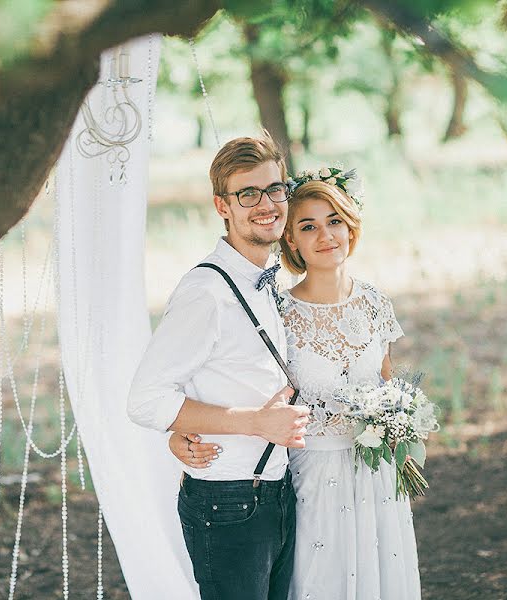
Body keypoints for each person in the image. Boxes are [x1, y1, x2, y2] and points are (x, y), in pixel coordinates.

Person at [170, 169, 422, 599]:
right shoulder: (278, 310)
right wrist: (180, 433)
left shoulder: (377, 302)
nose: (325, 235)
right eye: (308, 226)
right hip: (309, 479)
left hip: (375, 478)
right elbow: (229, 382)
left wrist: (402, 433)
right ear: (291, 240)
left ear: (350, 225)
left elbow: (386, 384)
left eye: (334, 221)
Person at [127, 135, 311, 600]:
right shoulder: (205, 293)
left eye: (274, 189)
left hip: (277, 491)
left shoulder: (267, 278)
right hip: (228, 500)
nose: (266, 204)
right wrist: (253, 423)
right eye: (247, 194)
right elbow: (146, 400)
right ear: (221, 206)